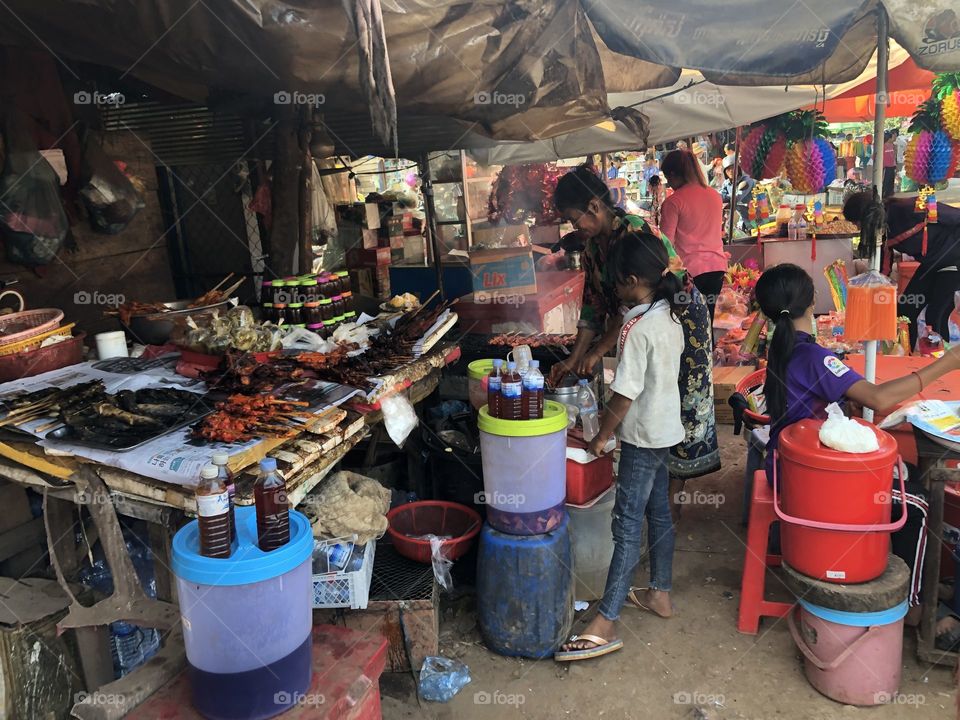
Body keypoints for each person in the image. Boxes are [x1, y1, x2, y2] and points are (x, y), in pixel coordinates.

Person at [755, 263, 960, 623]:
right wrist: (946, 365)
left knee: (907, 475)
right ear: (812, 300)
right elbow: (878, 399)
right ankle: (913, 607)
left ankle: (915, 578)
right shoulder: (813, 355)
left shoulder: (783, 347)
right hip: (808, 477)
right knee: (919, 502)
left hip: (788, 463)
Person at [555, 231, 685, 661]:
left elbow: (625, 393)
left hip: (643, 437)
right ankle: (659, 593)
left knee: (626, 525)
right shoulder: (669, 315)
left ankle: (605, 621)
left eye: (616, 283)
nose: (614, 290)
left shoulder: (636, 325)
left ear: (630, 280)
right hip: (666, 430)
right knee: (658, 511)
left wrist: (601, 435)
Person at [550, 166, 720, 492]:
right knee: (650, 394)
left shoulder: (633, 230)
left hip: (680, 315)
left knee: (679, 399)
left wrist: (598, 350)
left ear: (594, 207)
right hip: (641, 317)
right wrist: (575, 358)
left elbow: (638, 302)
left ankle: (672, 492)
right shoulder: (591, 249)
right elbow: (593, 306)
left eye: (575, 220)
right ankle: (656, 489)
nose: (575, 228)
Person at [843, 190, 960, 348]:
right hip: (931, 265)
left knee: (936, 315)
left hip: (954, 260)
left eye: (856, 222)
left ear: (867, 214)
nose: (857, 227)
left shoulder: (909, 209)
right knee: (905, 312)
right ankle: (906, 355)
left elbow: (954, 216)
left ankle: (938, 364)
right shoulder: (881, 231)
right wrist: (872, 293)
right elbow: (883, 269)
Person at [659, 150, 726, 322]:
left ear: (674, 174)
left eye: (668, 178)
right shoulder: (714, 195)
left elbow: (665, 242)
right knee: (707, 321)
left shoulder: (673, 202)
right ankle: (709, 349)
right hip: (717, 268)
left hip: (690, 273)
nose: (669, 183)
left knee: (689, 326)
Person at [882, 130, 897, 198]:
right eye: (892, 137)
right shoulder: (882, 146)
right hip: (886, 167)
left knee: (891, 180)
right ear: (888, 138)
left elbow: (894, 156)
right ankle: (883, 193)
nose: (893, 139)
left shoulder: (893, 145)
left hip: (892, 166)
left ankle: (890, 193)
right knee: (886, 180)